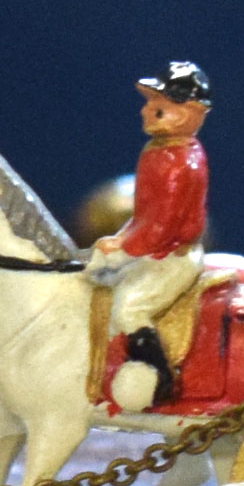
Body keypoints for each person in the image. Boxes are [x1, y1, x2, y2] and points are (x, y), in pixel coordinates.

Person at [95, 62, 212, 413]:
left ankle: (157, 376)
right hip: (152, 249)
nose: (146, 111)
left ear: (191, 112)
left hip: (171, 256)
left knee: (131, 307)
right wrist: (119, 238)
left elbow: (162, 226)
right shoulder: (160, 152)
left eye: (159, 106)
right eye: (149, 103)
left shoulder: (180, 162)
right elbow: (143, 215)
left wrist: (124, 247)